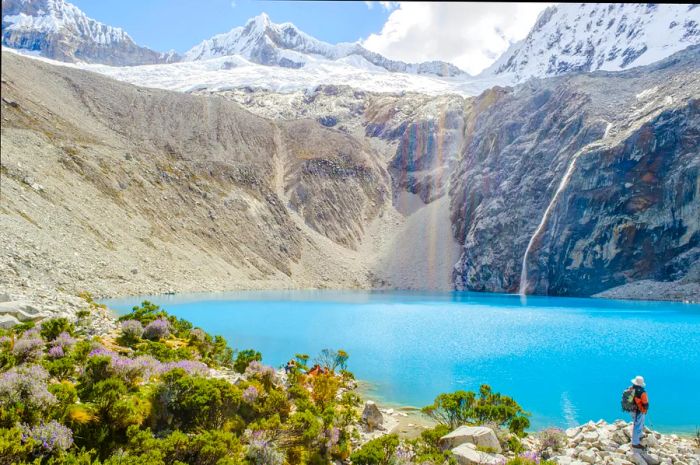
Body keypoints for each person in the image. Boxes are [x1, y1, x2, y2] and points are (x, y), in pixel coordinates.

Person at [630, 375, 649, 449]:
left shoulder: (631, 388)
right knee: (638, 425)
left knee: (636, 423)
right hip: (639, 411)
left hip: (631, 409)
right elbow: (646, 404)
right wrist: (645, 409)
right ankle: (635, 443)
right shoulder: (642, 392)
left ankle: (640, 435)